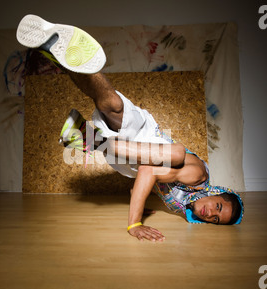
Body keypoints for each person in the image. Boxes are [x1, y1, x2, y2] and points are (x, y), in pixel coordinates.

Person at [17, 14, 244, 242]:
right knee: (122, 112)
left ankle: (91, 137)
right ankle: (55, 55)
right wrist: (135, 222)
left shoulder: (183, 204)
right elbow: (149, 170)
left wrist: (140, 199)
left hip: (128, 161)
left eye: (215, 219)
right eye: (217, 206)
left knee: (110, 105)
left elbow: (145, 176)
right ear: (216, 193)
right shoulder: (198, 176)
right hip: (146, 140)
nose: (210, 213)